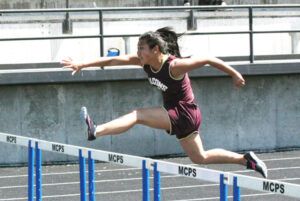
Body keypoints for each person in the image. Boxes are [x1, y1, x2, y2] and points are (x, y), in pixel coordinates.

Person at [61, 27, 268, 178]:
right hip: (178, 114)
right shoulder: (145, 61)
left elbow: (207, 59)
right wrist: (82, 64)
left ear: (156, 50)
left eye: (142, 48)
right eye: (137, 48)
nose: (138, 52)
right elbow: (112, 60)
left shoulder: (175, 66)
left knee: (138, 115)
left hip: (183, 111)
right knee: (200, 158)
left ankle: (95, 131)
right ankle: (245, 159)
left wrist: (234, 74)